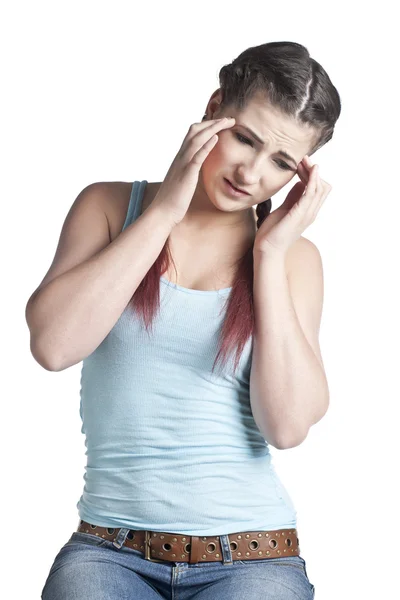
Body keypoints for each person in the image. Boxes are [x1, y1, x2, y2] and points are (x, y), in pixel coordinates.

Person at [26, 40, 340, 599]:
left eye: (281, 163)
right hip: (108, 551)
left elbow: (287, 427)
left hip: (253, 557)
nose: (252, 172)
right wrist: (167, 207)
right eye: (245, 138)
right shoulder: (107, 206)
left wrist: (267, 255)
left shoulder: (295, 260)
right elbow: (53, 345)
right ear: (216, 107)